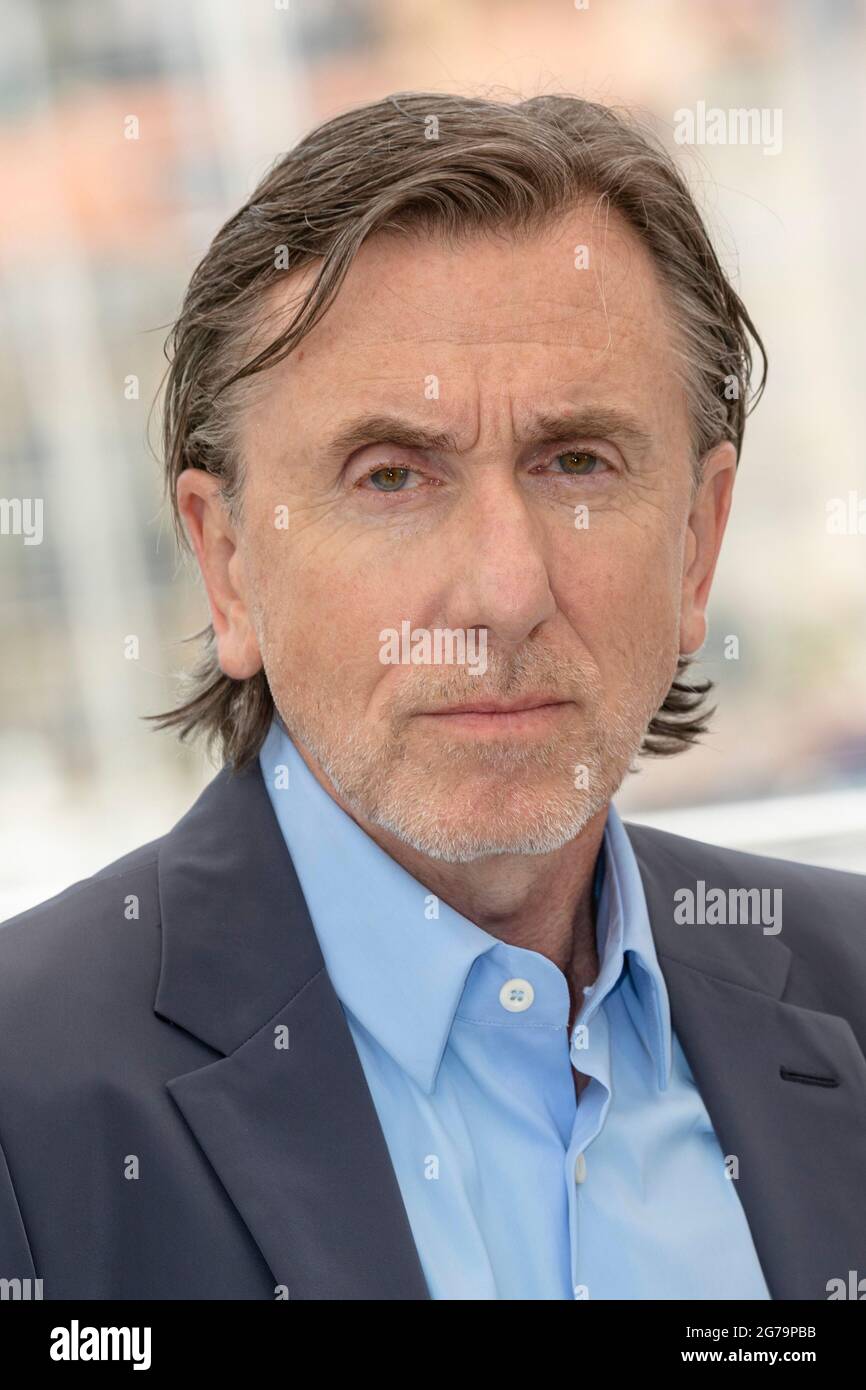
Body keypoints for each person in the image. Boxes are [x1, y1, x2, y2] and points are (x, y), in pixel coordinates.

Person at [1, 92, 863, 1302]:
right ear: (228, 562)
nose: (503, 592)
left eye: (575, 462)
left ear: (693, 544)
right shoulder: (25, 1098)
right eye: (391, 476)